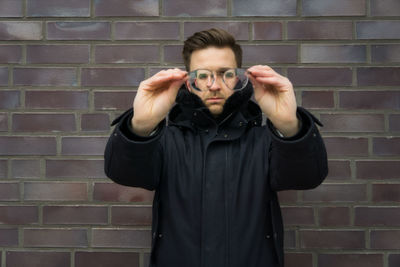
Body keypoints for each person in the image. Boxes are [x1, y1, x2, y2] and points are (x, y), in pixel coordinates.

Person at [104, 28, 328, 267]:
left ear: (239, 78)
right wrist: (141, 125)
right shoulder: (165, 141)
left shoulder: (266, 141)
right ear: (188, 83)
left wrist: (289, 125)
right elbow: (123, 172)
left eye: (225, 73)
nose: (213, 85)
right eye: (202, 75)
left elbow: (307, 177)